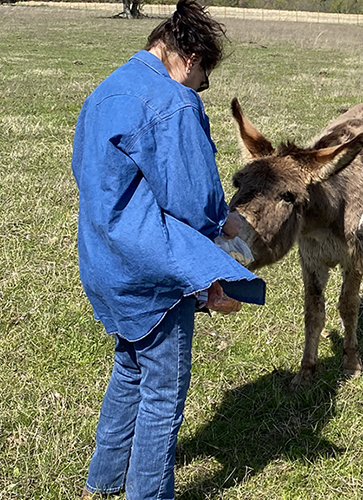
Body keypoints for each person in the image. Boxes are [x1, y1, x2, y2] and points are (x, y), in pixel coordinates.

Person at [70, 1, 265, 498]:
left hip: (104, 264)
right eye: (204, 77)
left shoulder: (106, 89)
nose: (202, 88)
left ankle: (104, 479)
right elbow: (194, 205)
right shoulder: (174, 103)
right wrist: (219, 248)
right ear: (191, 57)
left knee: (129, 368)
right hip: (150, 276)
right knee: (162, 395)